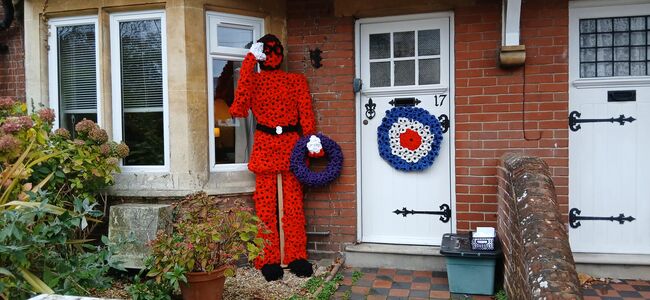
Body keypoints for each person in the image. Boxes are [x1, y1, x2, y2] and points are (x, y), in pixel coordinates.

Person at [229, 34, 323, 281]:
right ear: (260, 54)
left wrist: (311, 139)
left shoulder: (296, 81)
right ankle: (268, 258)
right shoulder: (254, 81)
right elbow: (238, 108)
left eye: (275, 49)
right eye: (266, 50)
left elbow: (305, 113)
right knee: (265, 206)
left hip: (292, 145)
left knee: (293, 205)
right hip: (266, 144)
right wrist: (249, 61)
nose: (272, 54)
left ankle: (295, 255)